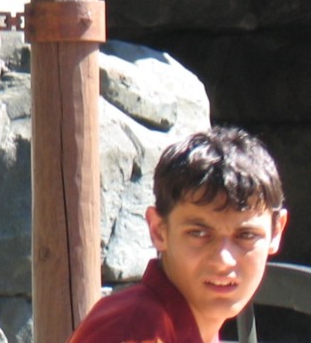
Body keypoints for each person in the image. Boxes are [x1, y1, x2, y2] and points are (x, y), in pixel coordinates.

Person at [68, 125, 287, 343]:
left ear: (276, 231)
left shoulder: (190, 327)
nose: (223, 261)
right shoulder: (134, 331)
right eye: (199, 233)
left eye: (246, 235)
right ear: (158, 230)